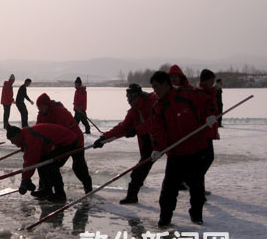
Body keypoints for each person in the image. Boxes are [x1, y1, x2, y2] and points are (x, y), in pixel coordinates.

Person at [149, 71, 215, 227]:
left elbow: (209, 102)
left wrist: (210, 116)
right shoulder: (158, 107)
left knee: (197, 187)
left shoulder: (188, 94)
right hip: (176, 154)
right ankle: (165, 219)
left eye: (157, 87)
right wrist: (158, 148)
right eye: (152, 88)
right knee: (168, 191)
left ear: (166, 84)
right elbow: (157, 130)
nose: (155, 91)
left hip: (196, 150)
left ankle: (196, 216)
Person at [94, 83, 158, 204]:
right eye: (128, 99)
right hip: (148, 141)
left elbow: (154, 123)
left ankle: (191, 186)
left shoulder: (152, 104)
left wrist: (136, 130)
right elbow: (123, 127)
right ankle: (132, 196)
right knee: (142, 168)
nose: (129, 102)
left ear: (138, 96)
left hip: (163, 138)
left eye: (131, 99)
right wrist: (104, 138)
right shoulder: (134, 111)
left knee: (179, 164)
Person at [6, 123, 78, 203]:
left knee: (52, 165)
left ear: (17, 135)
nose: (12, 143)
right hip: (58, 143)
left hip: (67, 141)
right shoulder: (26, 135)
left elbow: (32, 159)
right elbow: (29, 157)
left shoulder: (31, 137)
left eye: (12, 140)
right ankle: (46, 189)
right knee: (42, 161)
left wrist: (25, 180)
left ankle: (60, 194)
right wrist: (27, 179)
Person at [36, 93, 92, 193]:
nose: (39, 109)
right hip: (60, 142)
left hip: (75, 141)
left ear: (47, 105)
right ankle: (44, 187)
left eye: (41, 106)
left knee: (78, 166)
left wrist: (52, 146)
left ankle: (87, 186)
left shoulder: (59, 112)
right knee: (45, 161)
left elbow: (61, 132)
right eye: (38, 107)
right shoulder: (41, 115)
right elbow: (38, 131)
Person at [198, 69, 220, 197]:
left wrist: (215, 131)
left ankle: (198, 186)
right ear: (205, 80)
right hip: (201, 133)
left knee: (206, 159)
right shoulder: (200, 94)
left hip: (209, 131)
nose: (213, 81)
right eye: (211, 79)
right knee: (205, 160)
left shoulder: (211, 93)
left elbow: (213, 113)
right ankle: (196, 186)